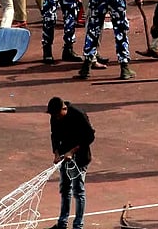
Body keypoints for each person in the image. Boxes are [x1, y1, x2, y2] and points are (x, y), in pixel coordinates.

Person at [47, 97, 95, 229]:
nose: (56, 118)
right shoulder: (55, 116)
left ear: (64, 109)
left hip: (80, 157)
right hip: (64, 156)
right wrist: (56, 153)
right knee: (65, 189)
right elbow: (54, 135)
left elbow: (90, 136)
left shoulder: (78, 115)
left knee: (78, 191)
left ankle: (78, 225)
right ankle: (62, 223)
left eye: (58, 115)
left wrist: (72, 151)